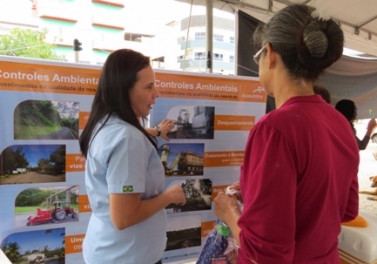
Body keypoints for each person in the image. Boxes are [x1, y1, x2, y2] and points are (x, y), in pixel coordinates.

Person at [213, 4, 359, 264]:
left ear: (269, 54)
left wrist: (230, 211)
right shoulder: (339, 123)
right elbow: (346, 209)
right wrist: (258, 195)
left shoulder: (274, 129)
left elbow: (264, 254)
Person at [79, 49, 186, 264]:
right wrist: (169, 196)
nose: (156, 93)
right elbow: (124, 217)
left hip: (110, 250)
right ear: (124, 91)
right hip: (128, 256)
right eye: (148, 87)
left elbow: (124, 140)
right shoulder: (128, 138)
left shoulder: (106, 124)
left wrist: (155, 132)